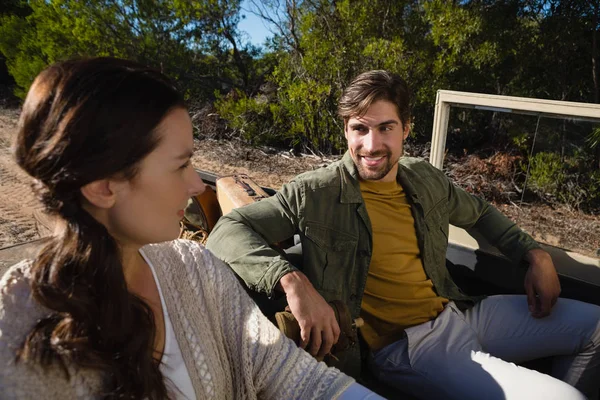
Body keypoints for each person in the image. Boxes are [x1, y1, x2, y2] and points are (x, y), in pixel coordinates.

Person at [0, 57, 383, 399]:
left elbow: (286, 371)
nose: (197, 186)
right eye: (180, 165)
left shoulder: (195, 268)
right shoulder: (20, 324)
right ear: (103, 186)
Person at [206, 70, 600, 400]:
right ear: (346, 130)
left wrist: (535, 254)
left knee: (596, 328)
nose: (371, 145)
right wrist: (291, 280)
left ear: (406, 129)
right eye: (359, 128)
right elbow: (229, 229)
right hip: (408, 346)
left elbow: (480, 213)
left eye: (385, 128)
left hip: (459, 309)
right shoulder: (316, 192)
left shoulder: (424, 178)